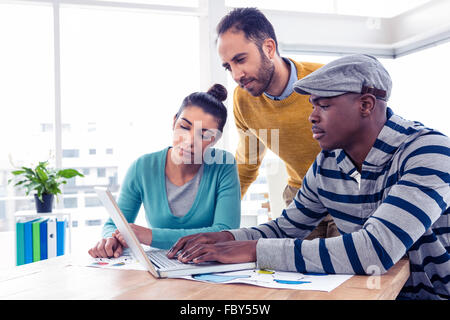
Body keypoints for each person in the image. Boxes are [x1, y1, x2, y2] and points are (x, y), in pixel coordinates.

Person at [167, 54, 450, 300]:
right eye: (313, 105)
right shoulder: (327, 163)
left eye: (324, 106)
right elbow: (285, 229)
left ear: (365, 105)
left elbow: (374, 249)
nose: (312, 117)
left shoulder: (428, 152)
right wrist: (223, 239)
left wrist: (253, 249)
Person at [216, 7, 339, 239]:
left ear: (269, 48)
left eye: (240, 60)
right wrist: (218, 219)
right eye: (228, 66)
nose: (235, 75)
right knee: (297, 270)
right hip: (299, 196)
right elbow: (247, 163)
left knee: (347, 270)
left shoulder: (325, 80)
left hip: (345, 192)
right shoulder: (243, 100)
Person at [88, 84, 241, 258]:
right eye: (184, 126)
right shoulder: (143, 167)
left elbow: (226, 232)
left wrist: (150, 236)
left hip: (206, 266)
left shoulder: (224, 165)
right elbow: (114, 224)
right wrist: (111, 239)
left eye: (204, 135)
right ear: (174, 121)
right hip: (161, 267)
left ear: (215, 139)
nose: (189, 141)